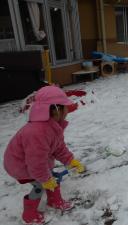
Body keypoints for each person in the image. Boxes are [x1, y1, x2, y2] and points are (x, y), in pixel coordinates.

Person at [3, 86, 85, 224]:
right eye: (65, 107)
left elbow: (58, 147)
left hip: (34, 162)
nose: (67, 110)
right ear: (55, 110)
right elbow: (36, 162)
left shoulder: (52, 126)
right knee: (40, 185)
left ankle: (54, 201)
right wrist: (44, 179)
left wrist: (70, 161)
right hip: (20, 165)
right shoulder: (37, 133)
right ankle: (29, 215)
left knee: (51, 177)